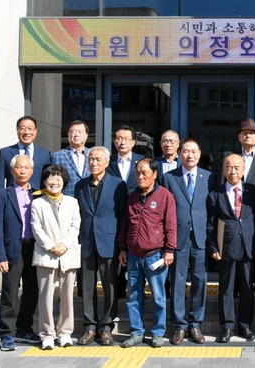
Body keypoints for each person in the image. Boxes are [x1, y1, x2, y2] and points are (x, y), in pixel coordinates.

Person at [158, 138, 216, 345]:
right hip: (178, 238)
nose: (190, 155)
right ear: (179, 154)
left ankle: (195, 323)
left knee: (200, 281)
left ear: (199, 154)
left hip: (200, 238)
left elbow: (212, 210)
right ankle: (179, 326)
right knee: (178, 282)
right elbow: (164, 211)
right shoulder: (169, 178)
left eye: (194, 151)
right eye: (186, 151)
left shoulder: (209, 177)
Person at [117, 159, 177, 348]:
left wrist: (169, 250)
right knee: (133, 296)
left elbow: (171, 225)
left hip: (155, 255)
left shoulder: (165, 196)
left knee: (158, 297)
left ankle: (158, 333)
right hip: (133, 255)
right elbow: (126, 224)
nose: (140, 176)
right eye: (137, 173)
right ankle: (136, 332)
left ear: (155, 174)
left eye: (144, 173)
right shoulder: (132, 196)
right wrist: (122, 248)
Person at [75, 147, 128, 346]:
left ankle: (106, 327)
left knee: (110, 287)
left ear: (106, 162)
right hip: (87, 242)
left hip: (109, 243)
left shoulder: (118, 185)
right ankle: (89, 327)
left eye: (98, 159)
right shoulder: (80, 185)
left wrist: (122, 246)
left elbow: (123, 217)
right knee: (87, 287)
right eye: (91, 159)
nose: (94, 163)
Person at [0, 154, 40, 351]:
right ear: (12, 171)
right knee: (10, 293)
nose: (22, 171)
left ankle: (24, 329)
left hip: (34, 249)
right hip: (13, 249)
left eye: (26, 167)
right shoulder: (2, 195)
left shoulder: (38, 194)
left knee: (31, 292)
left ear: (32, 171)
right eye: (19, 167)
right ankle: (6, 334)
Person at [30, 164, 81, 350]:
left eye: (58, 178)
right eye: (50, 178)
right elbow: (36, 228)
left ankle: (65, 333)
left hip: (68, 254)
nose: (54, 181)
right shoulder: (37, 203)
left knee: (67, 297)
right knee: (45, 297)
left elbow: (75, 226)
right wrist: (51, 246)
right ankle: (47, 334)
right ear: (44, 182)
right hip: (46, 255)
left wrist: (64, 245)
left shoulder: (72, 202)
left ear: (64, 181)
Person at [208, 154, 255, 342]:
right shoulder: (216, 194)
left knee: (247, 288)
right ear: (223, 170)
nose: (233, 171)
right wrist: (214, 247)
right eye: (229, 167)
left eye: (237, 167)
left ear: (243, 170)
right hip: (226, 248)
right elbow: (211, 224)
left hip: (248, 248)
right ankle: (227, 327)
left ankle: (245, 325)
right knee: (226, 289)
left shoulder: (252, 191)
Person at [0, 116, 51, 191]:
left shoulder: (45, 154)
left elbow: (48, 180)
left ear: (35, 131)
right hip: (12, 197)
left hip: (37, 197)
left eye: (30, 129)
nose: (27, 132)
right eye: (22, 128)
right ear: (17, 130)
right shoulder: (5, 153)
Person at [224, 118, 255, 191]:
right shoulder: (228, 156)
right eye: (245, 133)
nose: (248, 135)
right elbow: (221, 183)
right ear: (239, 137)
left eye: (251, 133)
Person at [50, 120, 90, 197]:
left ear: (86, 135)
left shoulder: (93, 154)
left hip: (89, 200)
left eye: (80, 131)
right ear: (68, 134)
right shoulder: (57, 156)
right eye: (73, 131)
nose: (77, 134)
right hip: (66, 199)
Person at [107, 125, 145, 194]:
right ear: (114, 141)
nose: (123, 142)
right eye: (119, 138)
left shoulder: (142, 160)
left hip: (136, 198)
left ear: (133, 142)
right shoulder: (108, 161)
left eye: (126, 139)